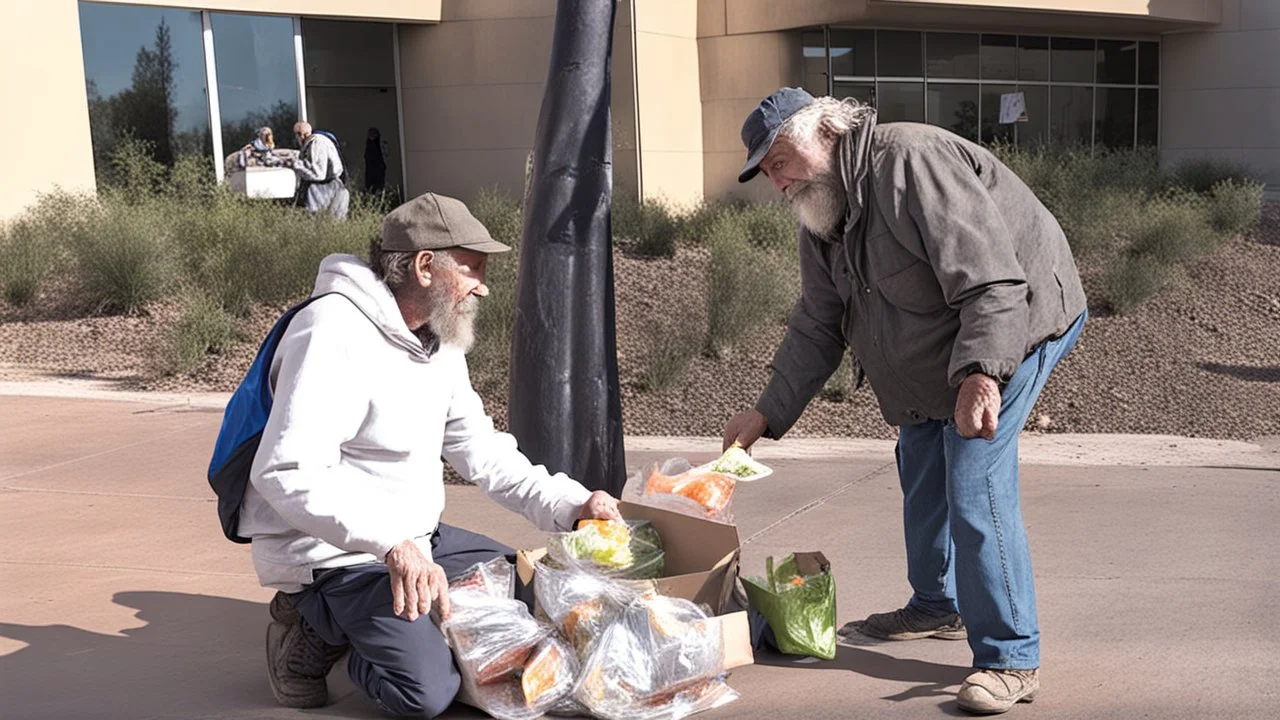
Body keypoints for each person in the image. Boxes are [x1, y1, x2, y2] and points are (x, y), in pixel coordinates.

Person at [722, 88, 1087, 715]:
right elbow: (817, 321)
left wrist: (983, 374)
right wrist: (767, 410)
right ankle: (934, 606)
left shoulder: (912, 162)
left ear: (827, 133)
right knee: (921, 466)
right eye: (767, 172)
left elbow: (994, 282)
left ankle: (1010, 655)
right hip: (938, 349)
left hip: (1017, 322)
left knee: (973, 480)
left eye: (779, 161)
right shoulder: (821, 212)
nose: (776, 182)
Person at [245, 191, 622, 716]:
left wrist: (572, 504)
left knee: (544, 595)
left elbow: (480, 449)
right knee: (426, 693)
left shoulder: (438, 339)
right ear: (425, 266)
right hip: (339, 556)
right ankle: (313, 628)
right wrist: (389, 544)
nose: (483, 287)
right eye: (472, 268)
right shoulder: (330, 332)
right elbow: (284, 470)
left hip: (418, 541)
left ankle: (384, 623)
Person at [292, 121, 350, 219]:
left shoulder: (316, 143)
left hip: (326, 189)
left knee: (324, 225)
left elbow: (318, 174)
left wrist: (295, 165)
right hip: (331, 188)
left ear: (300, 135)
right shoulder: (317, 141)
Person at [364, 127, 388, 193]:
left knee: (377, 187)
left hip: (377, 169)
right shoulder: (370, 144)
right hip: (371, 170)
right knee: (372, 187)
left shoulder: (377, 143)